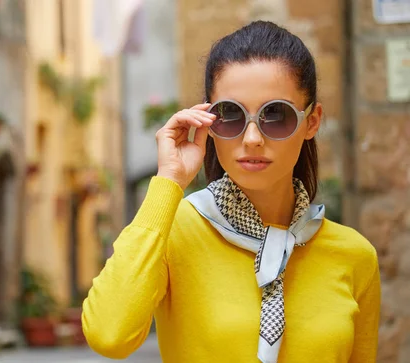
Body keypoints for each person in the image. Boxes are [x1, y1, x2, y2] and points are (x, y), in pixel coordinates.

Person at [81, 21, 381, 363]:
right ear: (207, 120)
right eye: (231, 115)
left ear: (311, 122)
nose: (252, 138)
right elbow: (109, 336)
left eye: (276, 115)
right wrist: (169, 181)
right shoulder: (175, 232)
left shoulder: (354, 256)